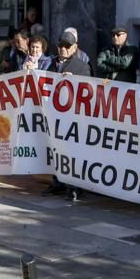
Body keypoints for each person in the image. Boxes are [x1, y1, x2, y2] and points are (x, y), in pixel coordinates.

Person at [44, 33, 90, 201]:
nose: (63, 49)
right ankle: (58, 182)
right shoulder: (51, 63)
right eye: (61, 45)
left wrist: (75, 81)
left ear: (75, 47)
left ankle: (76, 186)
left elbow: (89, 89)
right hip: (54, 115)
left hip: (73, 116)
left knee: (73, 152)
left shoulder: (81, 66)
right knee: (56, 148)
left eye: (67, 46)